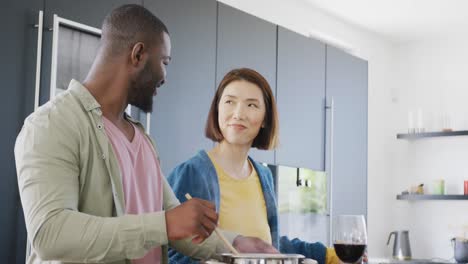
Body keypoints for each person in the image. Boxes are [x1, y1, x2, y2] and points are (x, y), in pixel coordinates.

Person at [14, 5, 276, 264]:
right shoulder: (51, 124)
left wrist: (236, 243)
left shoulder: (142, 139)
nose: (165, 77)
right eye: (164, 62)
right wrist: (164, 224)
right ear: (138, 54)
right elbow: (50, 233)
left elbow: (175, 222)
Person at [167, 68, 341, 264]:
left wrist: (328, 255)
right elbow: (170, 251)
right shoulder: (192, 172)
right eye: (229, 102)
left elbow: (268, 246)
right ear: (217, 109)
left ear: (265, 119)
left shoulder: (263, 175)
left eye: (251, 105)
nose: (238, 113)